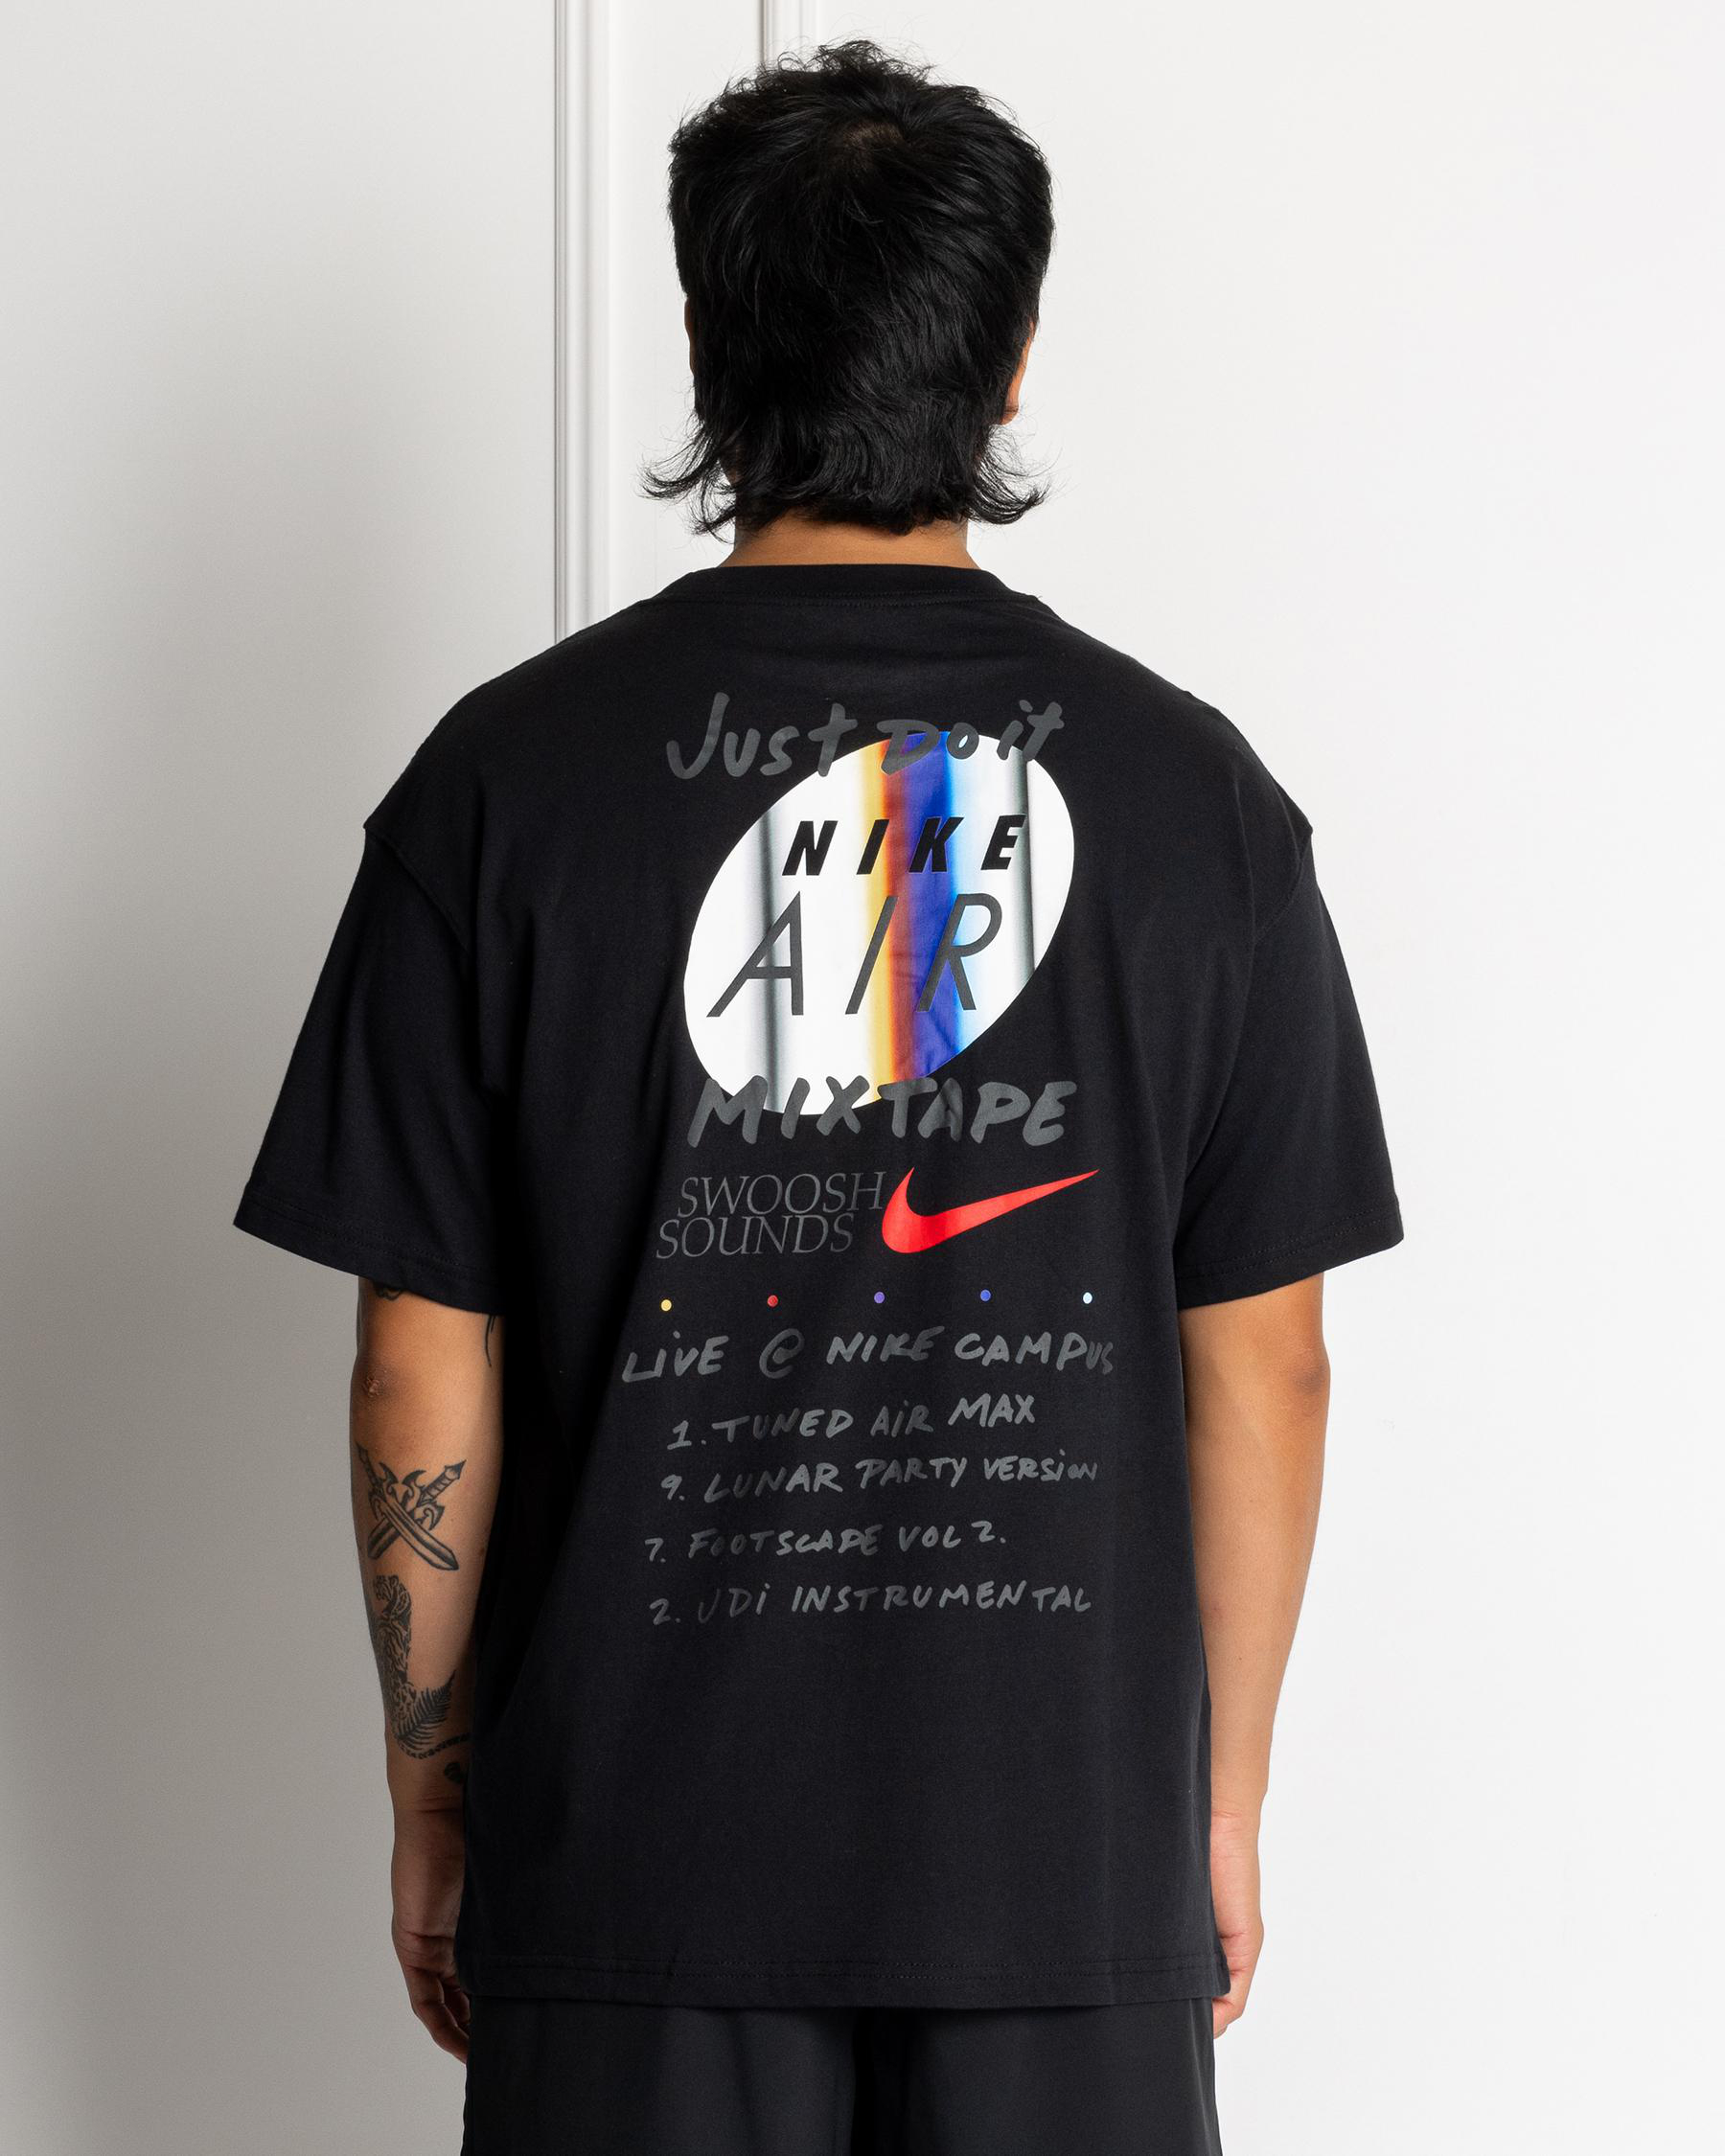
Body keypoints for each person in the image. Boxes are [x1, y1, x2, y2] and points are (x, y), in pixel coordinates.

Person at [236, 40, 1400, 2155]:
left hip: (630, 1875)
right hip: (1063, 1874)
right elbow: (1272, 1366)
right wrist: (1212, 1809)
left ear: (708, 343)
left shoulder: (502, 788)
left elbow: (417, 1356)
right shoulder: (1200, 808)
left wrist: (435, 1792)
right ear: (1011, 359)